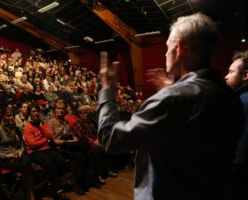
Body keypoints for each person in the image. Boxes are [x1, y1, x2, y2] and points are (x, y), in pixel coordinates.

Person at [98, 13, 245, 200]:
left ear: (179, 48)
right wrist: (173, 90)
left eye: (167, 47)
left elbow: (109, 138)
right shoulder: (231, 98)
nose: (166, 53)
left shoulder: (173, 99)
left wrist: (107, 90)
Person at [225, 51, 248, 199]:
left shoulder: (243, 102)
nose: (226, 76)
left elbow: (241, 150)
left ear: (245, 75)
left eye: (231, 71)